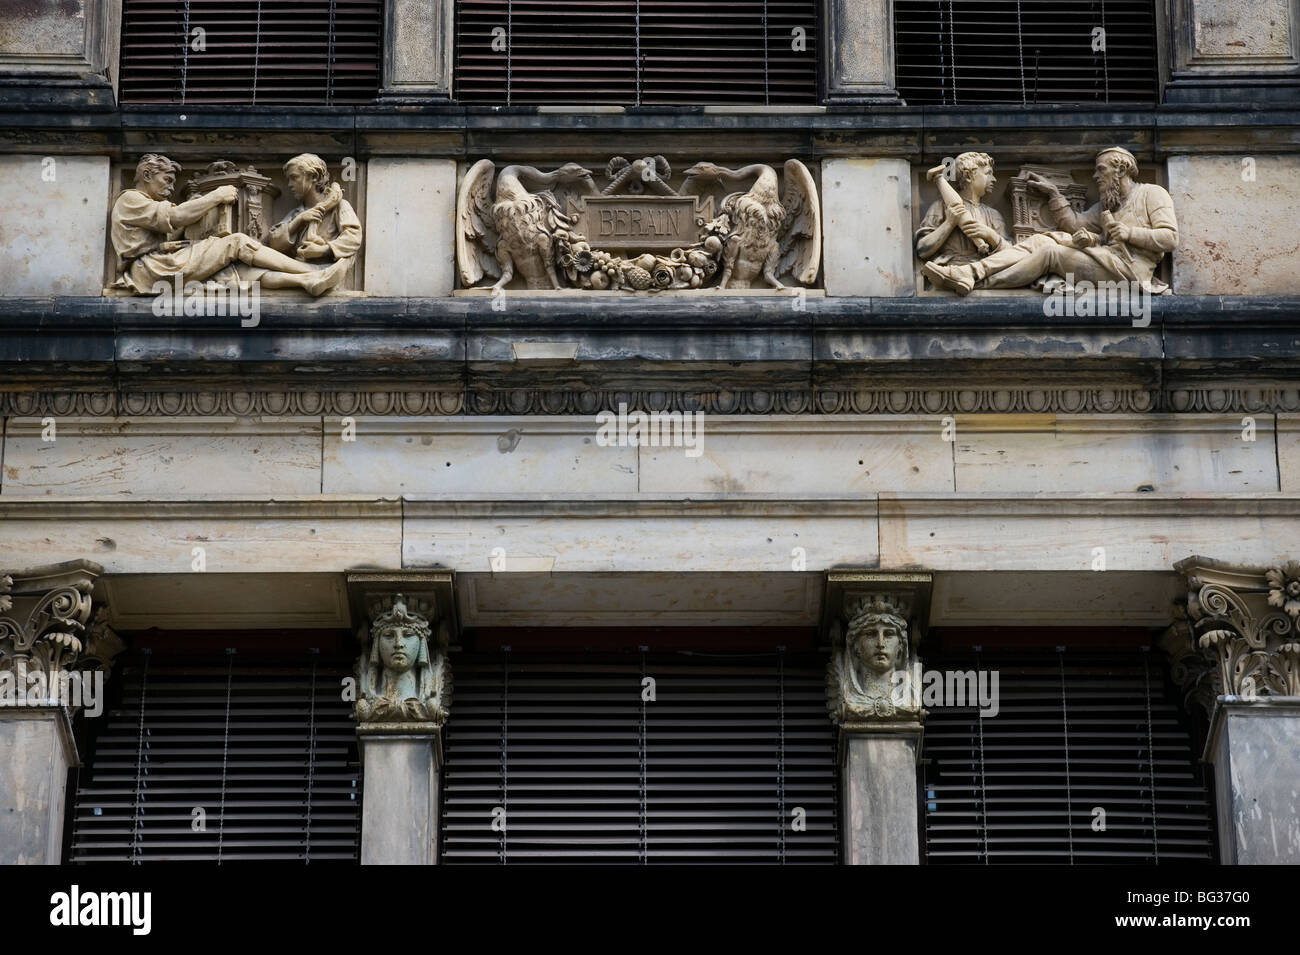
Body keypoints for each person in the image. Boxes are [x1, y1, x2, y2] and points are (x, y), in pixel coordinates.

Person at [923, 147, 1178, 296]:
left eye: (1101, 170)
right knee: (1042, 240)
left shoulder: (1152, 193)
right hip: (1108, 260)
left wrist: (1129, 233)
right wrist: (1054, 194)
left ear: (1121, 170)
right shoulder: (1106, 206)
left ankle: (977, 281)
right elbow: (1074, 225)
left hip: (1131, 271)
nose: (1094, 176)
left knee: (1050, 254)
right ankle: (970, 272)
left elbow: (1169, 238)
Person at [109, 153, 349, 296]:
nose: (172, 188)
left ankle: (307, 281)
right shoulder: (131, 199)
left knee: (240, 272)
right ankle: (314, 272)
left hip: (160, 267)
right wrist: (215, 196)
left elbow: (170, 232)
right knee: (237, 242)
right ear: (147, 176)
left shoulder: (146, 205)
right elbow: (175, 218)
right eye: (167, 180)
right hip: (153, 269)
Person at [915, 151, 1011, 268]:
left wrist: (990, 235)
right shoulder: (941, 207)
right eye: (988, 173)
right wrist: (949, 223)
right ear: (969, 176)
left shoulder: (993, 215)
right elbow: (922, 249)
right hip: (953, 270)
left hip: (987, 269)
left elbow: (1012, 254)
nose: (994, 179)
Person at [265, 153, 362, 266]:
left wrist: (323, 250)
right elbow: (274, 244)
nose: (289, 185)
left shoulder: (339, 206)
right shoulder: (297, 213)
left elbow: (353, 238)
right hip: (297, 266)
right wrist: (299, 220)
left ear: (314, 177)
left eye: (294, 178)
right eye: (288, 180)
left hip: (322, 269)